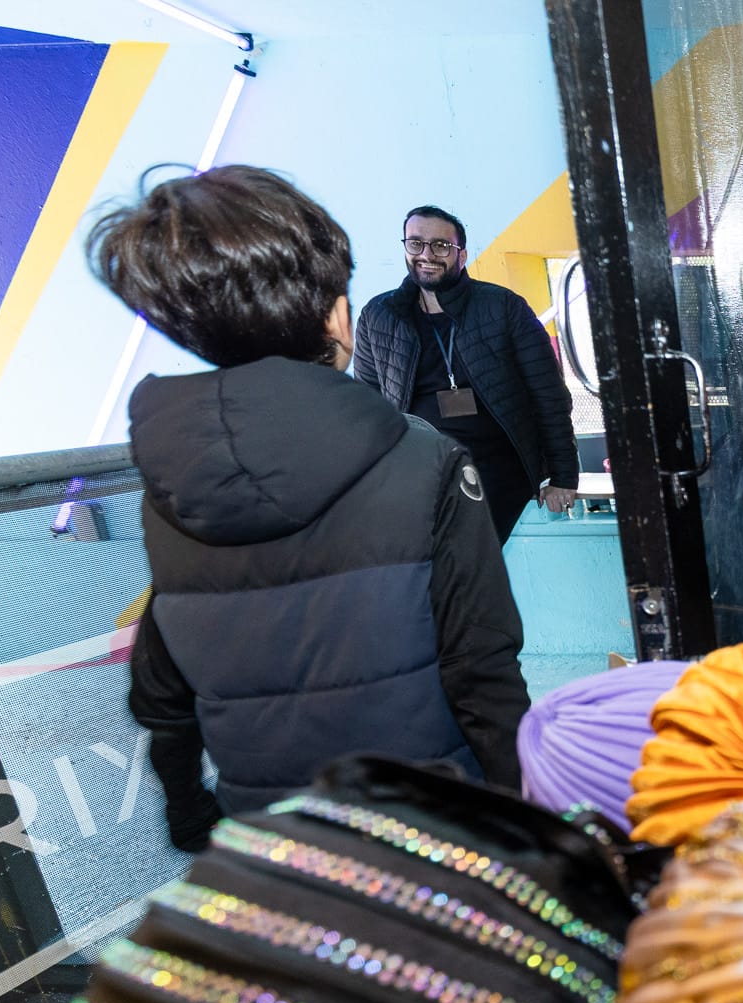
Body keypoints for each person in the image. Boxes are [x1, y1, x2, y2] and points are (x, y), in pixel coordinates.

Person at [92, 165, 530, 848]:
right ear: (337, 317)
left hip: (270, 840)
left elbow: (161, 685)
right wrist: (526, 828)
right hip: (435, 830)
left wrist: (185, 805)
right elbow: (483, 670)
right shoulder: (428, 460)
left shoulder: (170, 481)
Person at [351, 204, 577, 541]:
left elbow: (549, 395)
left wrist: (563, 475)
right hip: (419, 473)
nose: (427, 254)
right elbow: (368, 410)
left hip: (497, 472)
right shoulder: (378, 316)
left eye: (441, 246)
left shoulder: (503, 307)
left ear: (462, 254)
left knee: (461, 558)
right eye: (416, 243)